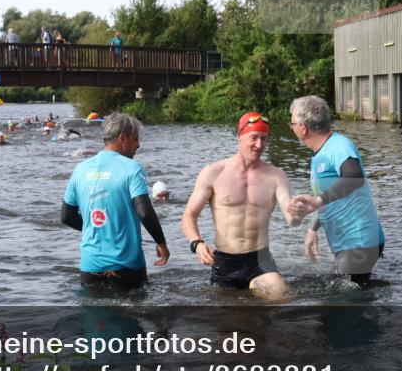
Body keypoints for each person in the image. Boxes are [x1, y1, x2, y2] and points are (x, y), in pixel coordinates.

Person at [181, 112, 297, 299]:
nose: (259, 145)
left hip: (260, 260)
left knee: (280, 296)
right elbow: (189, 216)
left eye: (264, 139)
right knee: (229, 320)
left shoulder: (276, 176)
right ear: (240, 138)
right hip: (225, 261)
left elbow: (291, 216)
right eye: (254, 138)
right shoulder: (214, 172)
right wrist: (197, 243)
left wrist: (307, 207)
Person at [61, 112, 169, 291]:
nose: (138, 145)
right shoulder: (131, 168)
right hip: (126, 267)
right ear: (122, 138)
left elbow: (66, 216)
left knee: (93, 316)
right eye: (136, 138)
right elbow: (144, 212)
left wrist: (97, 228)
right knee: (131, 315)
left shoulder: (80, 169)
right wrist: (161, 243)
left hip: (90, 267)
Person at [287, 96, 385, 284]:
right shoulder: (321, 154)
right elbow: (332, 199)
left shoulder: (339, 146)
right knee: (342, 288)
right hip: (351, 243)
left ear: (303, 127)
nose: (292, 128)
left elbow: (354, 177)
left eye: (292, 123)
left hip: (359, 242)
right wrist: (313, 228)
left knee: (341, 303)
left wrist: (317, 201)